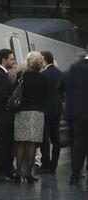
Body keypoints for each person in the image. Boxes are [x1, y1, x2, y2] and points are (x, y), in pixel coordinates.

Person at [13, 51, 49, 184]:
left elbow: (15, 92)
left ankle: (17, 173)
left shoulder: (21, 75)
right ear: (40, 63)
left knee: (20, 143)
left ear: (28, 62)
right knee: (33, 143)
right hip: (37, 113)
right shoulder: (44, 78)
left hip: (21, 112)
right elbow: (46, 96)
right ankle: (28, 173)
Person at [0, 49, 16, 182]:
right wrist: (14, 100)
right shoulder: (1, 75)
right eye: (11, 59)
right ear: (3, 60)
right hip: (3, 117)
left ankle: (7, 170)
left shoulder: (2, 74)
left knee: (7, 144)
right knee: (2, 145)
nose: (13, 61)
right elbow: (3, 96)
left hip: (4, 116)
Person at [37, 51, 63, 175]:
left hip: (45, 111)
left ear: (45, 59)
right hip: (57, 110)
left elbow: (41, 94)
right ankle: (54, 166)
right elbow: (63, 94)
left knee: (45, 139)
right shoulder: (60, 74)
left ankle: (45, 164)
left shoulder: (43, 75)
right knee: (56, 138)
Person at [66, 45, 88, 185]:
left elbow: (69, 88)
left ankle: (75, 173)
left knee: (79, 143)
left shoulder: (75, 67)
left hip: (78, 112)